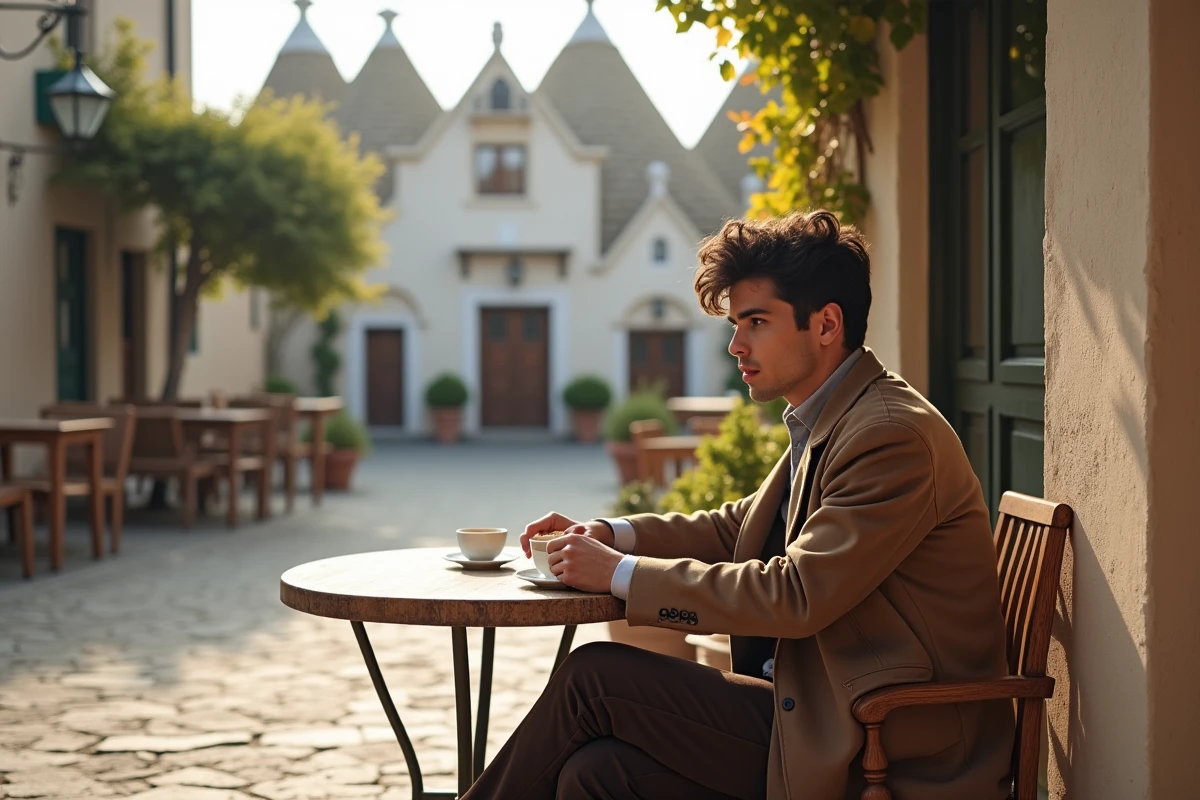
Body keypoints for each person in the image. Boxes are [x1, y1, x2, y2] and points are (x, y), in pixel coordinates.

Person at [462, 210, 1014, 800]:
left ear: (826, 324)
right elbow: (738, 528)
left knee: (594, 678)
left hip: (884, 735)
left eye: (756, 322)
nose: (736, 345)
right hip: (820, 705)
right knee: (596, 773)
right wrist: (610, 534)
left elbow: (797, 593)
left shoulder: (888, 434)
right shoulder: (834, 415)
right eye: (735, 324)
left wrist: (620, 574)